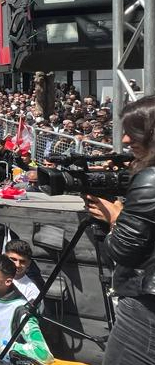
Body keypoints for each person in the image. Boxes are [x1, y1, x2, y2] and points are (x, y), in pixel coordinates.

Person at [83, 95, 155, 365]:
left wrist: (115, 216)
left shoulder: (151, 179)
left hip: (145, 309)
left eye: (133, 132)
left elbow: (123, 250)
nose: (125, 140)